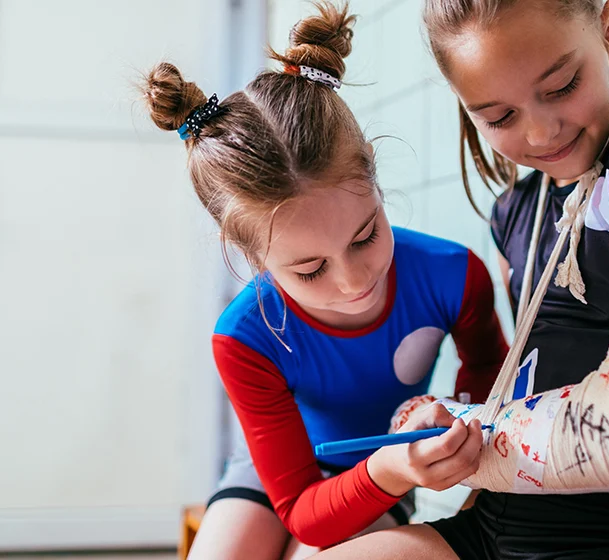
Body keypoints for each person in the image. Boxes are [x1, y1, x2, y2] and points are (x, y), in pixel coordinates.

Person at [312, 0, 609, 558]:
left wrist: (467, 431)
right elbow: (530, 387)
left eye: (562, 86)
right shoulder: (515, 211)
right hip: (491, 528)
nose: (540, 132)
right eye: (499, 117)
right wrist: (435, 433)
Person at [140, 3, 508, 559]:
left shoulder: (454, 277)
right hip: (276, 475)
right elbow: (301, 512)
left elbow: (491, 377)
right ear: (253, 257)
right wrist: (392, 468)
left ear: (377, 187)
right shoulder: (243, 336)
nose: (354, 279)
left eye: (365, 237)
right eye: (309, 269)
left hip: (387, 461)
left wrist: (460, 429)